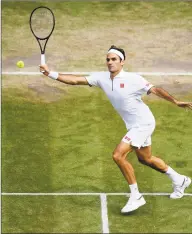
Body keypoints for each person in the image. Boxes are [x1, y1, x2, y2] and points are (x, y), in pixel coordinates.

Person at [39, 45, 192, 213]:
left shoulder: (133, 79)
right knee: (145, 159)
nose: (110, 62)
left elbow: (155, 90)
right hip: (134, 125)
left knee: (118, 155)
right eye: (108, 59)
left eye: (114, 59)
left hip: (144, 123)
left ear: (122, 62)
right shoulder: (101, 78)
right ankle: (180, 179)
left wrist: (176, 102)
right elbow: (76, 80)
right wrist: (50, 73)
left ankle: (136, 196)